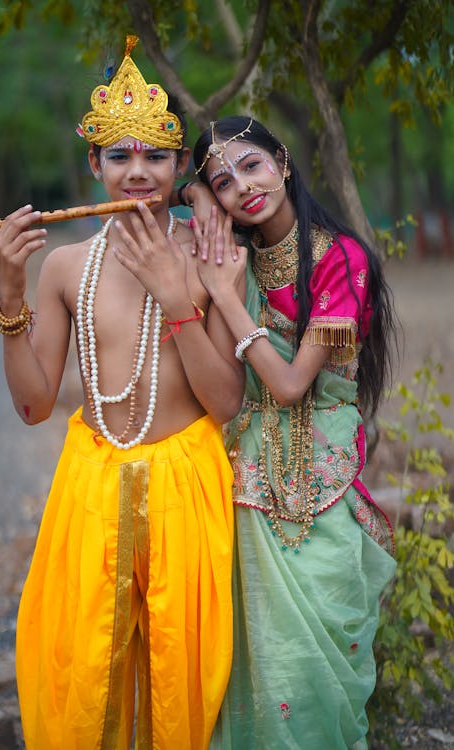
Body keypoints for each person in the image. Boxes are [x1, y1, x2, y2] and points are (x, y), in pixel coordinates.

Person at [0, 38, 244, 750]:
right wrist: (12, 295)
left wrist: (179, 297)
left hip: (186, 486)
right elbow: (35, 405)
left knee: (180, 681)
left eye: (155, 157)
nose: (138, 174)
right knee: (82, 675)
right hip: (91, 487)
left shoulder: (214, 253)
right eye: (119, 157)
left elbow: (225, 403)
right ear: (93, 165)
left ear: (177, 165)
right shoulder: (67, 266)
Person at [181, 116, 398, 749]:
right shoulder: (237, 257)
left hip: (322, 478)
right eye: (223, 182)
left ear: (283, 160)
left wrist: (224, 299)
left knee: (314, 659)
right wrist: (196, 194)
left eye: (251, 166)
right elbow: (166, 190)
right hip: (244, 473)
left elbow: (289, 386)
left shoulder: (339, 257)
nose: (242, 188)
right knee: (254, 654)